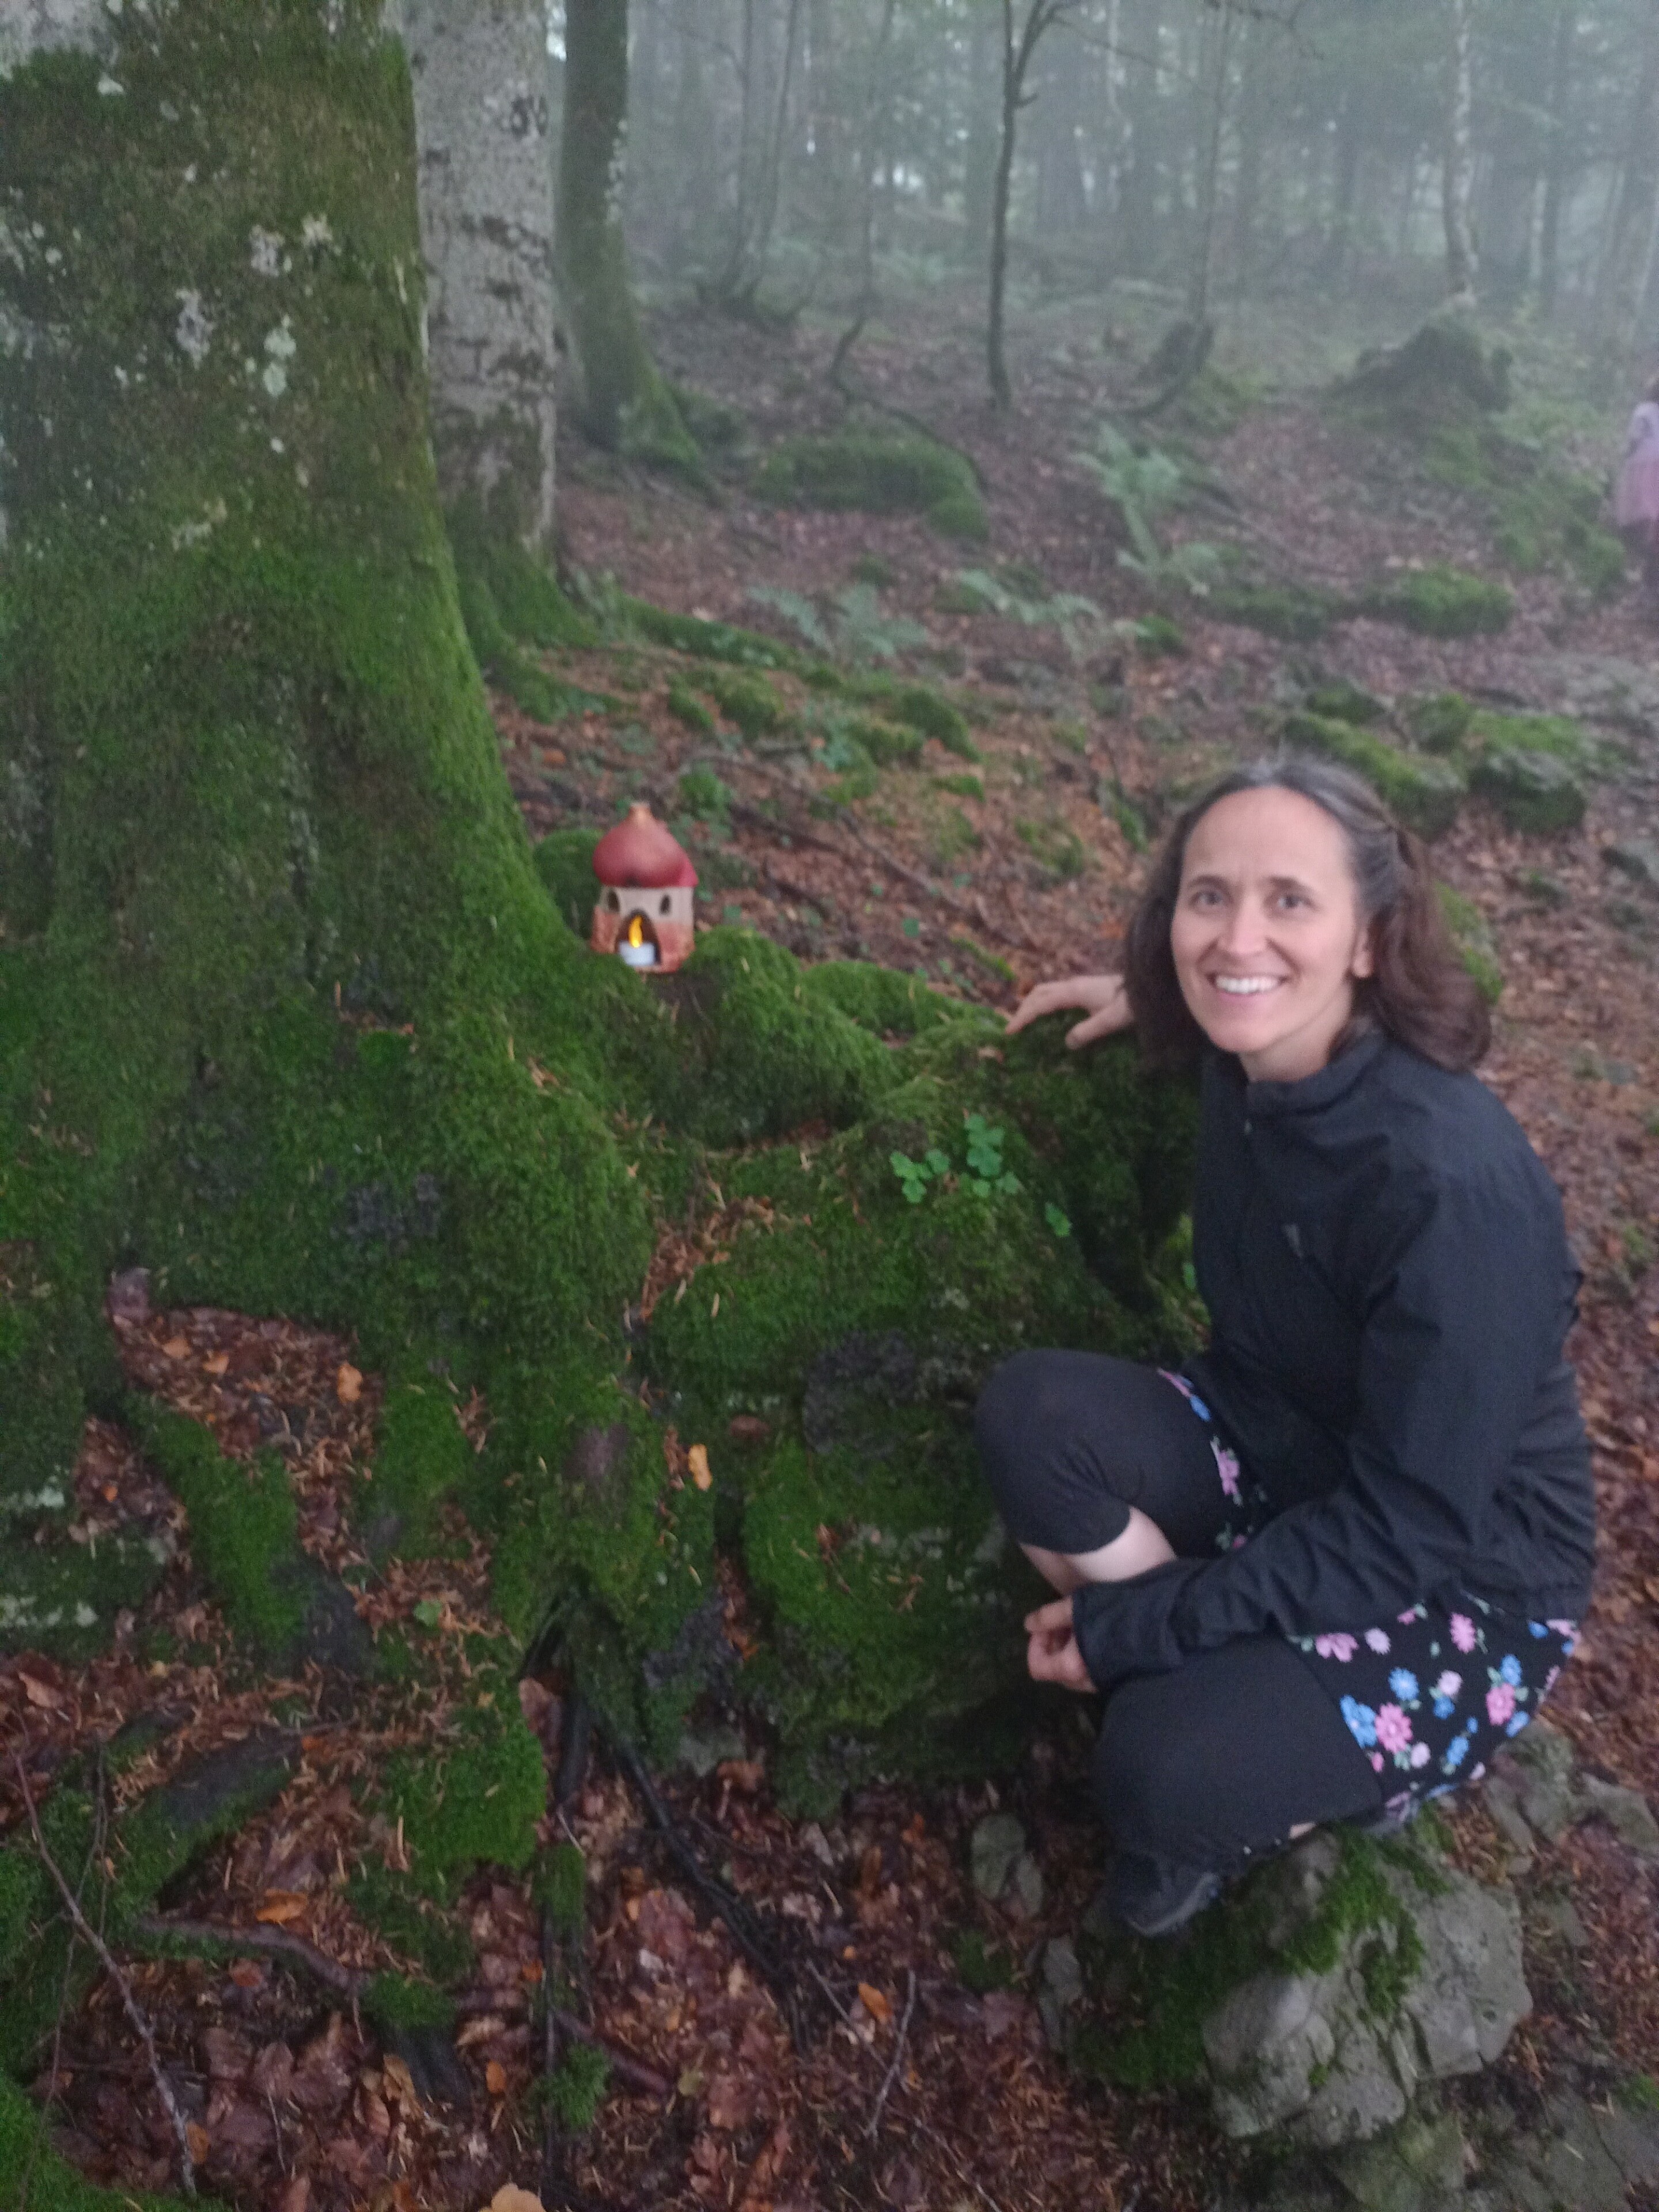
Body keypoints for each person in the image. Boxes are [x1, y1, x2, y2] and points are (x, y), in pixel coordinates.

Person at [976, 758, 1595, 1937]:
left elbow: (1407, 1530)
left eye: (1289, 902)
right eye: (1209, 898)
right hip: (1274, 1440)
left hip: (1461, 1578)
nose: (1237, 935)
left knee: (1157, 1770)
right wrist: (1156, 994)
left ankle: (1274, 1759)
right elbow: (1225, 981)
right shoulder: (1249, 1047)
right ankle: (1244, 1688)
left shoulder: (1451, 1189)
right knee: (1031, 1421)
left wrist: (1133, 1629)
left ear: (1369, 938)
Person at [1616, 373, 1659, 596]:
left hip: (1643, 464)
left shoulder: (1642, 411)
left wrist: (1625, 457)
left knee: (1643, 510)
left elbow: (1634, 438)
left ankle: (1647, 563)